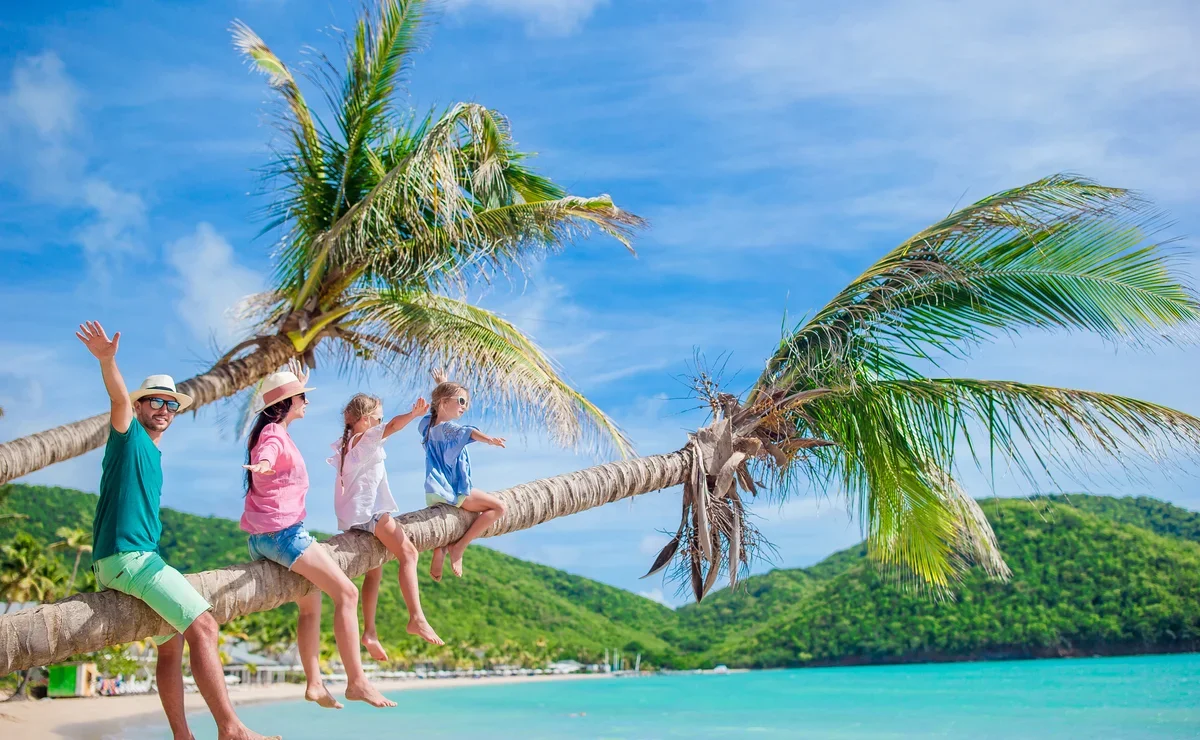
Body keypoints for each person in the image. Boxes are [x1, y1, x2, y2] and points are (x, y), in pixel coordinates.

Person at [77, 321, 276, 740]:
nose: (164, 409)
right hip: (128, 558)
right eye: (155, 401)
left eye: (171, 404)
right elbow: (118, 397)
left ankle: (183, 737)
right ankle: (231, 728)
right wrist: (108, 361)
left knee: (171, 646)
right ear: (140, 406)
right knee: (205, 626)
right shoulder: (128, 436)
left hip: (136, 559)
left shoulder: (153, 453)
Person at [240, 362, 395, 710]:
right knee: (347, 593)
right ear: (286, 402)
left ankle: (314, 684)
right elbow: (268, 453)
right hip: (284, 535)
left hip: (262, 538)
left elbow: (270, 443)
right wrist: (263, 464)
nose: (307, 402)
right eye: (302, 397)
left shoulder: (271, 429)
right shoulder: (273, 435)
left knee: (310, 604)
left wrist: (294, 385)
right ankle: (357, 682)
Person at [329, 393, 444, 661]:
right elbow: (393, 426)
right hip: (371, 513)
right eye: (378, 418)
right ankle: (416, 617)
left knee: (375, 571)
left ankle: (370, 633)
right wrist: (413, 414)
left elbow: (387, 429)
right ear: (365, 420)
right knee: (409, 554)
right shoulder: (367, 438)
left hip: (353, 518)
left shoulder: (347, 444)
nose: (381, 423)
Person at [420, 371, 508, 581]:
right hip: (453, 490)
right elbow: (468, 432)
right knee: (499, 508)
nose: (464, 407)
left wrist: (443, 384)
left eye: (466, 403)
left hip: (435, 492)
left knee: (454, 520)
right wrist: (489, 440)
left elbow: (440, 405)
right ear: (443, 401)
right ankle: (459, 547)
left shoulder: (427, 426)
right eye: (461, 401)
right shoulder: (449, 428)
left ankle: (441, 549)